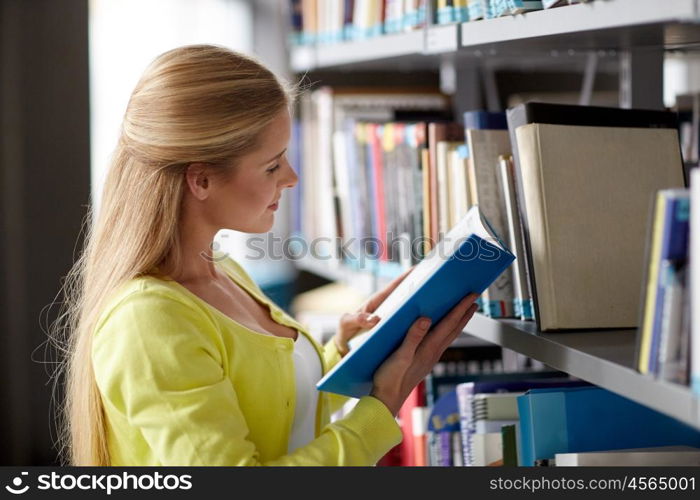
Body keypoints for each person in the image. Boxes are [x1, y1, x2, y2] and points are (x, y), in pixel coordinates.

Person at [53, 45, 479, 466]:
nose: (292, 178)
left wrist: (349, 352)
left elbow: (273, 413)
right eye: (272, 166)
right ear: (200, 179)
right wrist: (381, 407)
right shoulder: (147, 322)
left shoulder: (223, 270)